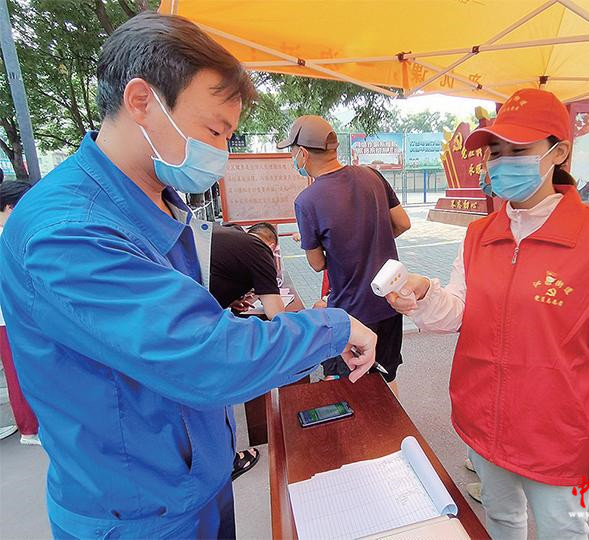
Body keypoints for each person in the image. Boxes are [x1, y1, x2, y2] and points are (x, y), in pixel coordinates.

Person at [0, 13, 376, 539]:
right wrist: (333, 327)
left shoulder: (154, 199)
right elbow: (204, 355)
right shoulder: (70, 231)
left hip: (189, 477)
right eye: (213, 130)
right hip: (138, 511)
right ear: (141, 101)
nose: (220, 151)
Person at [386, 89, 589, 540]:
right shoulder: (479, 234)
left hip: (558, 431)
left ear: (558, 153)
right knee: (501, 518)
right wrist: (425, 292)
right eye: (496, 152)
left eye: (519, 150)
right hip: (482, 418)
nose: (503, 162)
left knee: (562, 529)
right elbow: (460, 311)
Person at [278, 116, 411, 392]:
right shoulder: (372, 175)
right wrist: (371, 243)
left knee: (347, 384)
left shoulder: (307, 201)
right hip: (390, 301)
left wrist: (339, 248)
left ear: (303, 153)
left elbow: (317, 264)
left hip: (350, 311)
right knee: (386, 377)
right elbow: (402, 223)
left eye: (292, 151)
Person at [209, 222, 284, 479]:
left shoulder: (229, 233)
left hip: (170, 315)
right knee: (214, 391)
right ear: (272, 246)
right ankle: (225, 462)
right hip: (196, 331)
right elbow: (277, 316)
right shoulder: (259, 250)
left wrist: (229, 297)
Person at [0, 181, 40, 445]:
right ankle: (29, 429)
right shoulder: (6, 236)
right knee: (18, 372)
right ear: (9, 207)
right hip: (7, 317)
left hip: (10, 314)